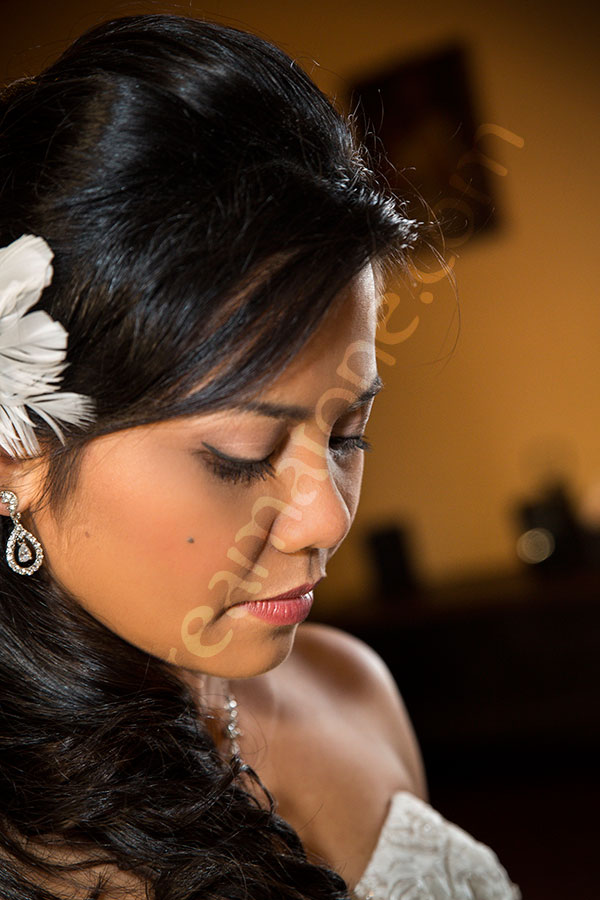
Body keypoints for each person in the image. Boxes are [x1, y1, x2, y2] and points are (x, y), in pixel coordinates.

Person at [0, 14, 521, 900]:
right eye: (242, 456)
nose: (330, 515)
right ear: (17, 456)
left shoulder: (356, 690)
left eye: (348, 433)